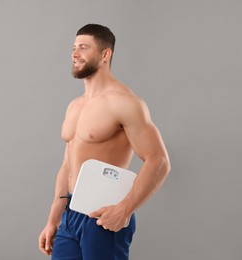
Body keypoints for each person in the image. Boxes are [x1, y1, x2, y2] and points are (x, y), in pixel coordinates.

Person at [38, 24, 171, 259]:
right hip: (70, 216)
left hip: (101, 215)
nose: (74, 54)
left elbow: (159, 161)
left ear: (105, 54)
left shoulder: (125, 102)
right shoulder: (74, 105)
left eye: (83, 48)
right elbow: (68, 165)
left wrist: (124, 210)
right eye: (74, 47)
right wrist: (53, 219)